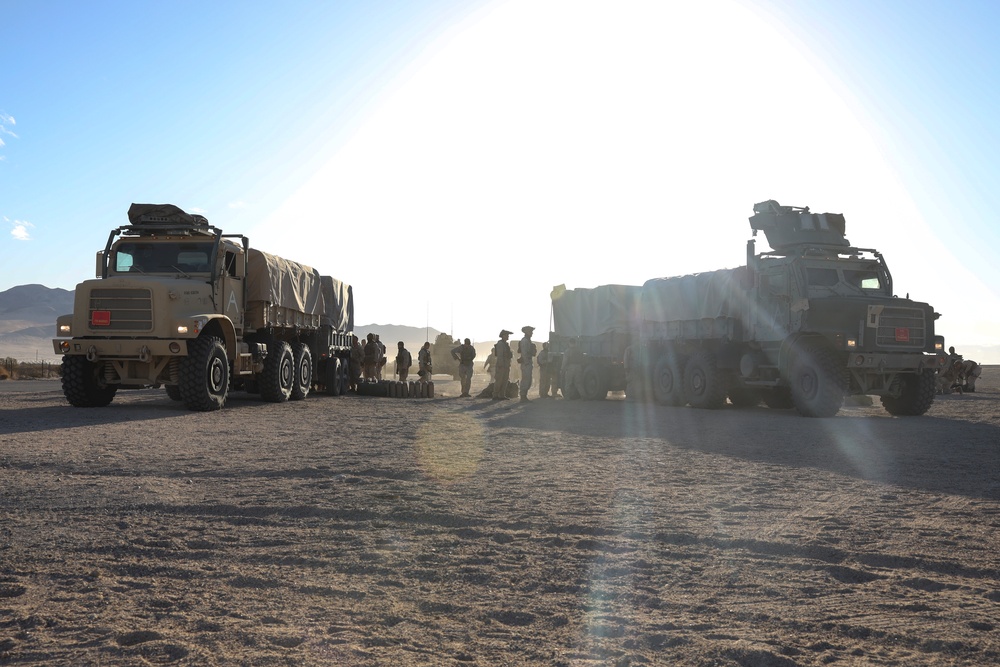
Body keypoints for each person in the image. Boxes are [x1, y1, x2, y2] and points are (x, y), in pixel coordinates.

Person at [517, 326, 537, 402]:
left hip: (528, 362)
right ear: (526, 332)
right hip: (526, 363)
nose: (532, 333)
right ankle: (523, 396)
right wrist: (526, 362)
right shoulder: (525, 341)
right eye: (530, 331)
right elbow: (524, 353)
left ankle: (524, 395)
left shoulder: (528, 341)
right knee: (526, 379)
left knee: (528, 380)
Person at [492, 329, 514, 400]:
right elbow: (500, 356)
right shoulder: (500, 344)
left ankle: (502, 395)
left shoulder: (506, 344)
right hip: (501, 366)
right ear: (503, 336)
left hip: (506, 365)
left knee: (505, 381)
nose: (508, 336)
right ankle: (495, 395)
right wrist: (501, 365)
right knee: (499, 380)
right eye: (507, 335)